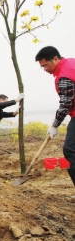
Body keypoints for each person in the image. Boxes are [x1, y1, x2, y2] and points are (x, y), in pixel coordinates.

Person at [35, 46, 75, 193]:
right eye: (42, 66)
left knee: (70, 149)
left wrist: (54, 125)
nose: (45, 69)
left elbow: (65, 104)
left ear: (56, 59)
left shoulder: (64, 75)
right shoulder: (70, 63)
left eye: (46, 65)